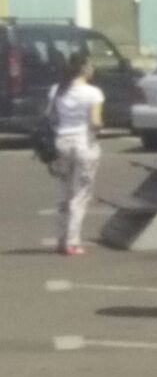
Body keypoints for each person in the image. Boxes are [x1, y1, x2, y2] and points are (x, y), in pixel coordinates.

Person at [46, 49, 104, 256]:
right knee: (80, 194)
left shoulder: (57, 90)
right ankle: (73, 241)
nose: (93, 68)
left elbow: (50, 116)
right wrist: (99, 127)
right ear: (84, 68)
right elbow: (96, 122)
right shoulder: (93, 93)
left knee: (64, 192)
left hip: (62, 142)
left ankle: (61, 239)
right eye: (91, 65)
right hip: (84, 144)